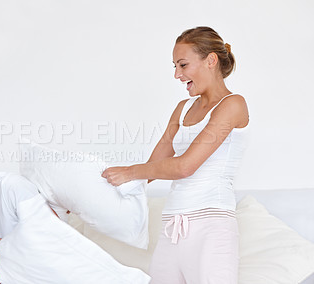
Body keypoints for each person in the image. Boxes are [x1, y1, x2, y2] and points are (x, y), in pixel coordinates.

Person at [102, 26, 249, 284]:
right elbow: (153, 167)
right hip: (172, 228)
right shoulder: (182, 109)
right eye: (174, 66)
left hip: (211, 229)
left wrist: (130, 171)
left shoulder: (233, 105)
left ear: (210, 61)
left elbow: (184, 167)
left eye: (182, 65)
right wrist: (90, 192)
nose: (177, 75)